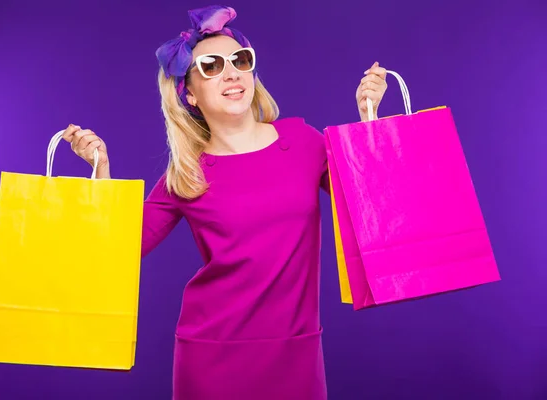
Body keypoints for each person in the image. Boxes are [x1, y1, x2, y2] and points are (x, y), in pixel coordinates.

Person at [61, 5, 387, 400]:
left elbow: (370, 205)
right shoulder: (187, 173)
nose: (231, 73)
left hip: (296, 351)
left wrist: (369, 122)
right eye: (211, 66)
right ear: (190, 95)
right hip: (211, 356)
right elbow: (119, 246)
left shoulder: (303, 142)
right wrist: (101, 171)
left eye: (240, 60)